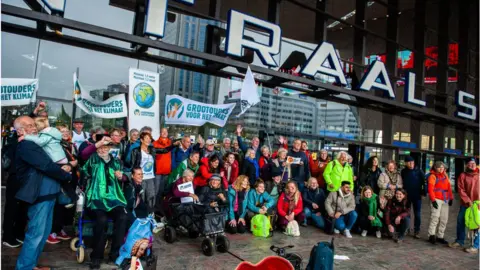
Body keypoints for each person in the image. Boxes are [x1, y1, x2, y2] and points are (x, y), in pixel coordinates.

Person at [13, 116, 72, 270]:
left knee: (43, 234)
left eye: (34, 125)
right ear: (21, 130)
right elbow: (45, 165)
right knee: (36, 235)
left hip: (49, 195)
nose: (34, 128)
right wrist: (66, 174)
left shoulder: (34, 142)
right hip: (40, 196)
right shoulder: (26, 145)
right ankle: (24, 267)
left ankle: (31, 265)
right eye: (30, 125)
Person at [81, 138, 128, 269]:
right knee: (101, 220)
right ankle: (96, 256)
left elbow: (124, 177)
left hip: (114, 199)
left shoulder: (116, 162)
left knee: (123, 217)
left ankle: (115, 254)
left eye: (105, 148)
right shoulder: (93, 159)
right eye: (100, 147)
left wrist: (121, 177)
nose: (102, 150)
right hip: (96, 199)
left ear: (109, 149)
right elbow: (83, 159)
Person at [48, 125, 79, 244]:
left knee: (65, 206)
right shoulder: (54, 145)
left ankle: (59, 229)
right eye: (62, 131)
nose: (65, 133)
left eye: (67, 131)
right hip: (60, 179)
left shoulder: (71, 145)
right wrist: (71, 164)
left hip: (71, 179)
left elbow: (76, 160)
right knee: (57, 206)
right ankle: (51, 232)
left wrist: (74, 163)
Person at [1, 126, 28, 249]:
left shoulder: (28, 141)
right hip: (15, 178)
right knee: (12, 208)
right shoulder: (13, 142)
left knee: (23, 207)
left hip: (24, 179)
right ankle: (7, 237)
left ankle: (18, 234)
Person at [449, 158, 479, 253]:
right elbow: (461, 190)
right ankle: (459, 241)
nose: (471, 165)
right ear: (466, 165)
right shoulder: (462, 175)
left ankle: (475, 246)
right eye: (469, 163)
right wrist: (468, 201)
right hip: (465, 204)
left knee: (477, 224)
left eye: (473, 163)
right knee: (460, 221)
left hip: (478, 205)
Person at [152, 128, 178, 216]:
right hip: (158, 171)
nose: (164, 133)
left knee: (162, 190)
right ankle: (153, 208)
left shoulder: (170, 143)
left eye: (165, 132)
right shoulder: (155, 143)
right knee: (156, 191)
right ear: (160, 133)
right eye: (162, 132)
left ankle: (160, 207)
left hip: (167, 171)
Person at [427, 161, 453, 245]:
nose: (441, 168)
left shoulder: (445, 175)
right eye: (439, 167)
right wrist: (433, 200)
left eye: (442, 167)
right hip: (436, 199)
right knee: (435, 217)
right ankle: (431, 235)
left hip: (445, 199)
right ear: (435, 167)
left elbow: (449, 187)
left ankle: (440, 236)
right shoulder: (432, 176)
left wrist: (451, 197)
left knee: (444, 219)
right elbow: (430, 189)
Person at [130, 132, 157, 213]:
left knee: (151, 197)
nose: (149, 140)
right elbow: (133, 164)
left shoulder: (152, 150)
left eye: (150, 138)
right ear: (141, 140)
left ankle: (150, 214)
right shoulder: (136, 151)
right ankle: (140, 214)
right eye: (146, 138)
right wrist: (135, 177)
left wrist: (173, 145)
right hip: (141, 178)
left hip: (151, 177)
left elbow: (163, 150)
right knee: (141, 197)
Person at [400, 156, 426, 239]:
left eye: (412, 162)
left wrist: (424, 193)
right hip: (407, 196)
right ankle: (406, 228)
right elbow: (402, 182)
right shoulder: (403, 171)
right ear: (406, 163)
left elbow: (425, 182)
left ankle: (416, 230)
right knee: (406, 212)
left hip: (417, 196)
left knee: (417, 214)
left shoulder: (419, 170)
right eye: (409, 162)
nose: (411, 164)